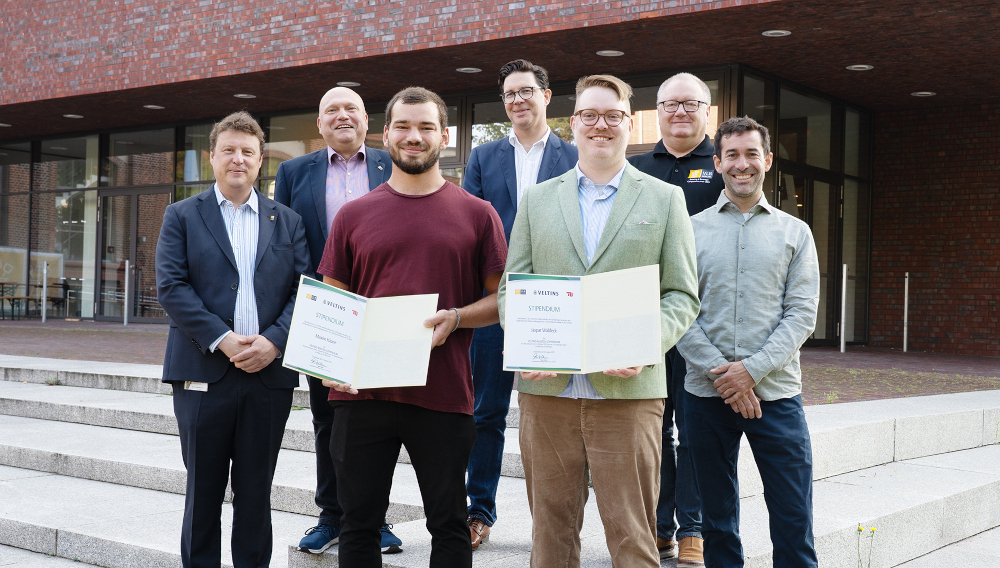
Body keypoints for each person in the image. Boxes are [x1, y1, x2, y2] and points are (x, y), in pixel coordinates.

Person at [498, 74, 700, 568]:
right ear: (574, 123)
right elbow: (511, 287)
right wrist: (527, 343)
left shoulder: (664, 199)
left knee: (633, 537)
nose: (600, 125)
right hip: (548, 395)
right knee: (550, 535)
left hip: (628, 395)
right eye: (589, 115)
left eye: (613, 115)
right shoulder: (538, 200)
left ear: (629, 123)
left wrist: (646, 341)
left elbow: (682, 294)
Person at [317, 86, 507, 568]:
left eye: (425, 127)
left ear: (445, 136)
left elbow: (503, 300)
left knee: (447, 524)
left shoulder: (477, 214)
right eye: (403, 126)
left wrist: (459, 317)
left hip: (442, 394)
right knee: (358, 523)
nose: (413, 136)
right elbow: (332, 302)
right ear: (386, 135)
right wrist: (326, 360)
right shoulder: (353, 215)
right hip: (361, 396)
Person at [155, 111, 310, 568]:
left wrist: (275, 342)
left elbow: (305, 288)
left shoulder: (288, 221)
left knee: (256, 494)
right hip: (203, 373)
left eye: (247, 151)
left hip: (269, 375)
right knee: (202, 493)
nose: (238, 159)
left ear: (261, 160)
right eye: (229, 150)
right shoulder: (181, 215)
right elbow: (172, 287)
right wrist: (222, 339)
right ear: (212, 157)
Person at [677, 116, 820, 568]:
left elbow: (801, 315)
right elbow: (679, 312)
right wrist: (726, 375)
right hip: (706, 394)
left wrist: (750, 372)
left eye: (751, 154)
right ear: (717, 163)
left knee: (794, 516)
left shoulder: (795, 232)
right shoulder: (690, 230)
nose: (743, 164)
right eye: (732, 155)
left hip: (776, 395)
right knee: (717, 520)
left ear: (768, 161)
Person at [272, 86, 401, 555]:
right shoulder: (292, 172)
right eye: (332, 110)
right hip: (322, 312)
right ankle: (331, 515)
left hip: (384, 313)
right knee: (328, 417)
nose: (342, 116)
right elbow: (281, 244)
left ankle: (375, 519)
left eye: (351, 109)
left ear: (368, 120)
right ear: (320, 124)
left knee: (382, 419)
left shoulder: (394, 163)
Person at [462, 58, 577, 548]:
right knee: (486, 411)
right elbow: (468, 228)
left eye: (526, 91)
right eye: (509, 94)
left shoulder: (573, 156)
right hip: (495, 301)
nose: (518, 101)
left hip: (553, 303)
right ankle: (479, 511)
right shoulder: (483, 158)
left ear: (546, 96)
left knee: (550, 417)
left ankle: (548, 521)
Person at [627, 72, 723, 566]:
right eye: (669, 104)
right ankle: (658, 526)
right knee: (653, 427)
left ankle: (694, 527)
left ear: (708, 109)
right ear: (657, 109)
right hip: (644, 319)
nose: (680, 112)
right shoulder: (634, 166)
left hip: (703, 325)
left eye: (690, 104)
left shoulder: (723, 165)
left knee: (695, 427)